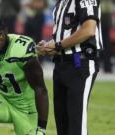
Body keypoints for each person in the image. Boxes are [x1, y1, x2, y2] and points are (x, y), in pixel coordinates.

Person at [36, 0, 102, 135]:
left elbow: (88, 30)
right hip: (61, 63)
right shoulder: (61, 2)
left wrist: (58, 46)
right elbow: (63, 37)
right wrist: (49, 46)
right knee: (62, 124)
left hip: (80, 63)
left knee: (76, 125)